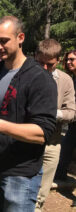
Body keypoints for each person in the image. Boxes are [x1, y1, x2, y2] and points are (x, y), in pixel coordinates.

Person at [0, 15, 57, 212]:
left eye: (4, 41)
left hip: (21, 174)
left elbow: (42, 132)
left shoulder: (39, 78)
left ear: (21, 37)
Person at [34, 40, 75, 212]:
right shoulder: (24, 75)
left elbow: (71, 112)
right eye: (40, 63)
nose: (44, 68)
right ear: (35, 57)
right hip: (26, 141)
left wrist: (53, 113)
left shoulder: (65, 80)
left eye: (49, 64)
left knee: (42, 191)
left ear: (57, 61)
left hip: (52, 142)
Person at [55, 49, 76, 181]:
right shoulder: (71, 78)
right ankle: (59, 175)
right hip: (74, 122)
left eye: (72, 59)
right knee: (66, 146)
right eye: (67, 59)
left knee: (67, 146)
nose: (68, 62)